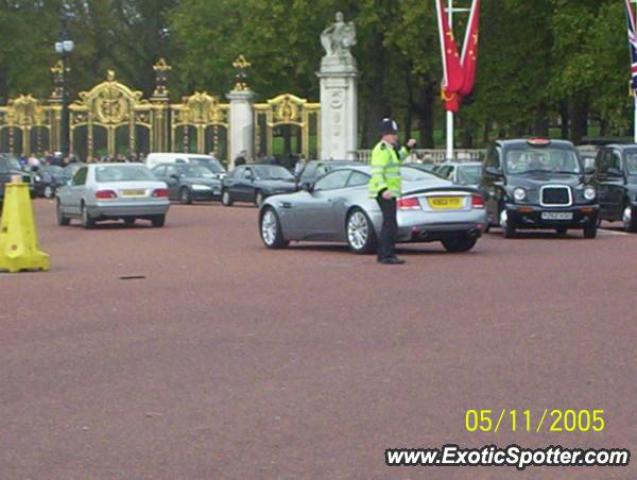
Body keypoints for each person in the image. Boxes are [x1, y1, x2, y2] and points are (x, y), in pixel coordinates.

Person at [369, 118, 416, 265]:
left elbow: (398, 159)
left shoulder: (390, 149)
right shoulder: (381, 149)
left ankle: (385, 254)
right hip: (384, 192)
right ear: (385, 135)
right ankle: (386, 254)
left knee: (390, 223)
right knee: (390, 224)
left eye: (395, 133)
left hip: (390, 192)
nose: (395, 136)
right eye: (392, 133)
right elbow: (377, 171)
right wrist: (383, 189)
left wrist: (408, 148)